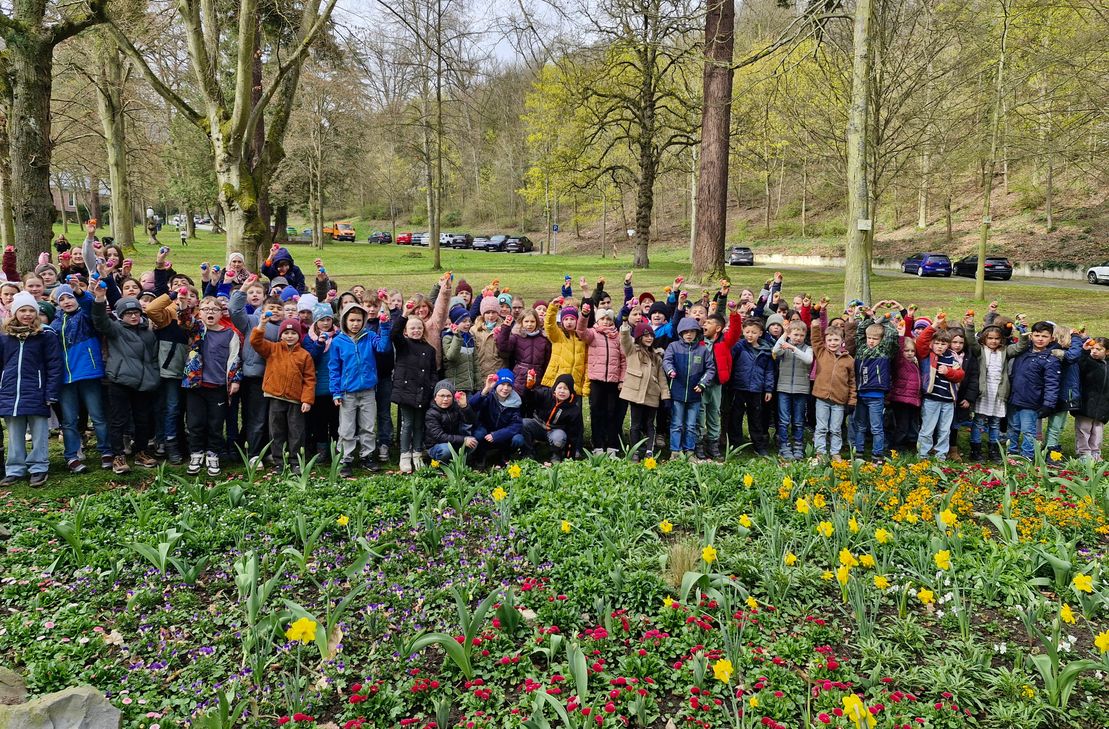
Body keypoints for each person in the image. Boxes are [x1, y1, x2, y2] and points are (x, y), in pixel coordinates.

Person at [91, 287, 161, 473]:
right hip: (120, 380)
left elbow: (153, 356)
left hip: (144, 381)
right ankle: (118, 456)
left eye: (136, 312)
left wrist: (154, 375)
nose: (133, 316)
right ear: (121, 315)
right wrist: (99, 299)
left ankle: (141, 452)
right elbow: (100, 321)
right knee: (119, 420)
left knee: (142, 419)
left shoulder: (148, 330)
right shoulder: (116, 329)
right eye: (128, 313)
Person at [0, 292, 62, 487]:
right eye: (22, 310)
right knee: (15, 432)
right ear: (14, 312)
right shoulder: (5, 338)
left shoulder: (45, 336)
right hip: (11, 392)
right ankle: (15, 469)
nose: (27, 314)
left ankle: (38, 467)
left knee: (39, 432)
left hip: (37, 391)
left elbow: (54, 364)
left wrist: (51, 392)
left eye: (30, 310)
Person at [49, 282, 112, 473]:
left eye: (70, 297)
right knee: (68, 420)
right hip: (65, 378)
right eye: (62, 299)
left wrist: (80, 292)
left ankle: (106, 451)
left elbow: (90, 305)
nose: (67, 301)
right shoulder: (55, 323)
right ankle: (71, 455)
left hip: (88, 373)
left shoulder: (85, 316)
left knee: (98, 415)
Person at [180, 295, 244, 476]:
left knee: (215, 423)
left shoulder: (231, 334)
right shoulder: (198, 330)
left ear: (221, 313)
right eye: (206, 309)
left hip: (218, 387)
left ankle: (213, 454)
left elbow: (235, 359)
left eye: (214, 310)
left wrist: (236, 380)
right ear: (200, 312)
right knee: (195, 422)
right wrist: (184, 303)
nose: (210, 313)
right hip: (195, 385)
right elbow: (185, 320)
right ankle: (196, 453)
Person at [328, 302, 392, 476]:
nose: (355, 324)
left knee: (368, 426)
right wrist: (336, 392)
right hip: (347, 393)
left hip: (368, 391)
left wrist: (384, 326)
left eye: (358, 320)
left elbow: (383, 347)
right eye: (352, 320)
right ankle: (345, 459)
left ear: (363, 321)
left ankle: (367, 456)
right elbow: (334, 368)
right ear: (345, 321)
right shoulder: (338, 342)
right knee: (347, 429)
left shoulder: (370, 336)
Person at [250, 317, 316, 472]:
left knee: (296, 431)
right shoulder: (273, 349)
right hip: (275, 397)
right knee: (276, 430)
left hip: (296, 400)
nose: (290, 336)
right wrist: (262, 325)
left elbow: (309, 379)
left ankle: (295, 461)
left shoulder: (304, 355)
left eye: (293, 333)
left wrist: (307, 400)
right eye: (286, 333)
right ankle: (279, 461)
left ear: (299, 336)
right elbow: (255, 342)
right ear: (281, 335)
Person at [1007, 321, 1060, 460]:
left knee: (1028, 431)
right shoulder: (1023, 351)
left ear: (1051, 338)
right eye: (1037, 335)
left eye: (1044, 336)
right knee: (1013, 427)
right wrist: (1020, 326)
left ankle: (1027, 456)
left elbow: (1052, 383)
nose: (1040, 339)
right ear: (1031, 336)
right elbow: (1016, 339)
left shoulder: (1051, 359)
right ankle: (1011, 453)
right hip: (1014, 397)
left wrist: (1048, 404)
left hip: (1032, 400)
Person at [577, 303, 626, 455]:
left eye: (608, 319)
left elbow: (624, 360)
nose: (605, 321)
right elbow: (580, 331)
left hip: (613, 381)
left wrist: (622, 379)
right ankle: (598, 445)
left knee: (612, 413)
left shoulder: (617, 337)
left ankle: (611, 446)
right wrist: (584, 316)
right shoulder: (592, 334)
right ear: (597, 321)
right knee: (596, 412)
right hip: (597, 380)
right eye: (602, 319)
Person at [914, 317, 965, 460]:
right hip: (931, 399)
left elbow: (960, 374)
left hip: (948, 400)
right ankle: (922, 455)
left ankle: (941, 456)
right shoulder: (927, 356)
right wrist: (934, 325)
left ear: (948, 345)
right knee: (927, 429)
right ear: (931, 344)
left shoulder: (951, 358)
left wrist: (949, 372)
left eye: (943, 344)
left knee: (945, 430)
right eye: (936, 343)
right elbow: (921, 341)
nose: (939, 346)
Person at [664, 318, 716, 457]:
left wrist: (702, 384)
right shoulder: (673, 347)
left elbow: (710, 369)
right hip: (677, 393)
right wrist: (670, 370)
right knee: (676, 424)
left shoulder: (703, 350)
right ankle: (675, 451)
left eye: (692, 332)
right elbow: (667, 360)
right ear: (680, 333)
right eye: (685, 332)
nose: (689, 334)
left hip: (695, 394)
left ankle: (690, 451)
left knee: (692, 425)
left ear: (697, 333)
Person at [392, 314, 437, 473]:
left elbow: (433, 372)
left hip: (423, 392)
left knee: (419, 425)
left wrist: (431, 387)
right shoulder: (403, 345)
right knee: (408, 424)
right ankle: (404, 456)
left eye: (419, 328)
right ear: (406, 331)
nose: (416, 330)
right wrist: (403, 315)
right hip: (406, 392)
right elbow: (394, 333)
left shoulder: (430, 350)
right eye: (412, 328)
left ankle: (417, 454)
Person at [619, 321, 669, 462]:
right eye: (646, 336)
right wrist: (624, 327)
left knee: (649, 424)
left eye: (651, 336)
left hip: (652, 395)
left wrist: (665, 396)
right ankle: (635, 451)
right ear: (639, 337)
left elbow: (662, 378)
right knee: (635, 424)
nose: (649, 338)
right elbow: (625, 339)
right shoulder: (632, 350)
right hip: (636, 394)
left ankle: (649, 451)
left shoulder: (657, 356)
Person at [852, 310, 898, 462]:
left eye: (874, 339)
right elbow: (859, 332)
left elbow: (892, 335)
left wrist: (885, 319)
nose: (871, 341)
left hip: (876, 395)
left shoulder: (884, 351)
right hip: (860, 393)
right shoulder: (861, 349)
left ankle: (877, 454)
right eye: (869, 338)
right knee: (859, 425)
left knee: (876, 427)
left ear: (881, 339)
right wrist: (868, 318)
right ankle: (858, 452)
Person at [810, 309, 855, 461]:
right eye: (829, 340)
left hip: (839, 400)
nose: (832, 343)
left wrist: (852, 400)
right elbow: (815, 339)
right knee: (821, 428)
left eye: (836, 340)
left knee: (836, 429)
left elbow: (852, 382)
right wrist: (815, 320)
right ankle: (821, 452)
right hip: (822, 398)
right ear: (826, 341)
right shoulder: (821, 352)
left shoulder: (848, 359)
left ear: (842, 341)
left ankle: (835, 452)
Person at [728, 317, 775, 455]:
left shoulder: (766, 350)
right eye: (747, 331)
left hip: (756, 389)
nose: (750, 335)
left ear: (760, 333)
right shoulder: (739, 346)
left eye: (754, 332)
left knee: (755, 418)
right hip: (739, 387)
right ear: (743, 331)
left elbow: (769, 371)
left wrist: (768, 389)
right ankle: (735, 444)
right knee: (736, 417)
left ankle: (758, 446)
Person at [302, 304, 339, 461]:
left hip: (334, 386)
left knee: (336, 421)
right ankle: (321, 449)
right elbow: (309, 359)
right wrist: (319, 344)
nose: (325, 323)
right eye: (322, 320)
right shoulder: (309, 339)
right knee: (320, 421)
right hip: (317, 388)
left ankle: (337, 449)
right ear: (316, 321)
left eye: (328, 319)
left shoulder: (338, 336)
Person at [772, 320, 814, 460]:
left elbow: (808, 360)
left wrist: (793, 348)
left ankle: (798, 445)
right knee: (784, 420)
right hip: (783, 388)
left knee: (798, 420)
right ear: (790, 334)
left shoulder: (807, 348)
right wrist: (784, 333)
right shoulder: (784, 346)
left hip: (801, 390)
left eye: (801, 335)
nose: (798, 338)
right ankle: (784, 445)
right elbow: (775, 350)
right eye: (795, 334)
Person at [522, 371, 584, 462]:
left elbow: (573, 435)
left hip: (555, 431)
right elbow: (529, 398)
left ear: (570, 391)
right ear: (555, 388)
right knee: (523, 423)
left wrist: (569, 458)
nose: (562, 391)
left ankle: (556, 454)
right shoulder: (545, 393)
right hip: (539, 425)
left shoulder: (574, 409)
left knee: (559, 437)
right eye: (560, 387)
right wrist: (529, 386)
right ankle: (528, 453)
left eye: (566, 389)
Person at [470, 369, 525, 466]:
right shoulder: (489, 395)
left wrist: (496, 435)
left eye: (509, 385)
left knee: (518, 439)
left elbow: (516, 425)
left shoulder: (515, 402)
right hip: (486, 434)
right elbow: (472, 405)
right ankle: (480, 456)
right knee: (478, 433)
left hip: (502, 436)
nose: (505, 388)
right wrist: (486, 389)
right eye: (502, 384)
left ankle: (505, 455)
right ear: (496, 384)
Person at [496, 308, 550, 397]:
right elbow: (503, 348)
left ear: (537, 322)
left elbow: (547, 362)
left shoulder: (543, 340)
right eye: (526, 321)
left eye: (532, 321)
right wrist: (505, 329)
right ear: (521, 322)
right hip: (519, 377)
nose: (529, 324)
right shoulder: (516, 337)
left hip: (537, 377)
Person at [542, 296, 589, 396]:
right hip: (557, 383)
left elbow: (586, 363)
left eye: (572, 319)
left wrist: (585, 386)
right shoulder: (558, 335)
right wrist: (553, 308)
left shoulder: (582, 338)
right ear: (562, 321)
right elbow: (549, 325)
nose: (569, 322)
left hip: (575, 386)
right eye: (566, 319)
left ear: (577, 321)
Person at [425, 380, 478, 464]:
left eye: (448, 396)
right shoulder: (431, 413)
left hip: (454, 442)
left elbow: (470, 421)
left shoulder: (456, 407)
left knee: (473, 442)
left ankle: (458, 462)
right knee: (446, 450)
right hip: (437, 445)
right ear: (435, 397)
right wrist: (463, 439)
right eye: (442, 396)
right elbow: (439, 436)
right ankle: (439, 463)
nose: (445, 399)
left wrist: (465, 406)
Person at [1074, 337, 1107, 461]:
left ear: (1107, 352)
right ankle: (1084, 453)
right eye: (1093, 348)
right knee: (1084, 429)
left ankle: (1096, 453)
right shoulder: (1087, 361)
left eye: (1098, 349)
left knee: (1098, 431)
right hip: (1086, 403)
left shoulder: (1106, 364)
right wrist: (1084, 350)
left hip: (1103, 405)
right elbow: (1081, 363)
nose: (1094, 351)